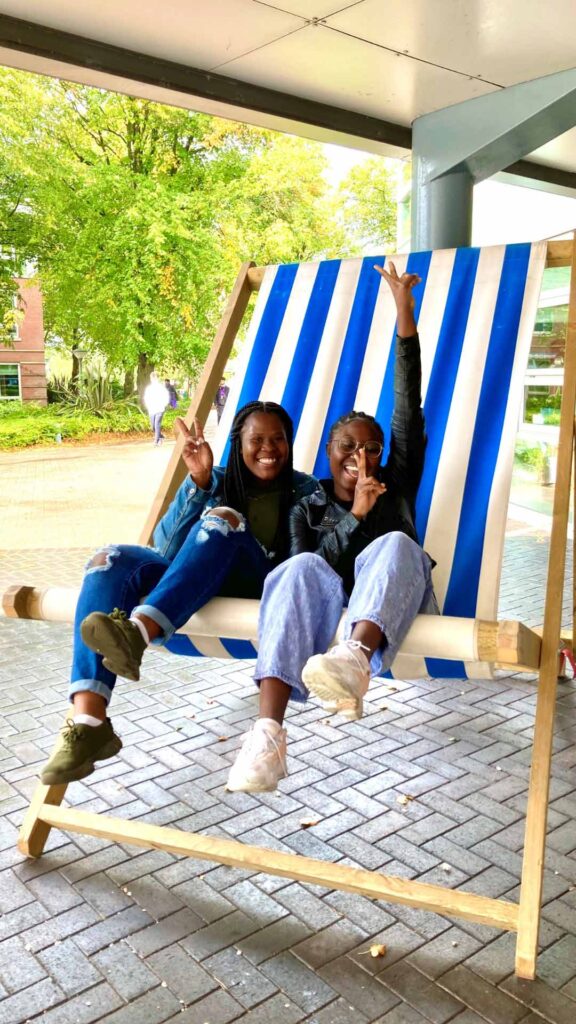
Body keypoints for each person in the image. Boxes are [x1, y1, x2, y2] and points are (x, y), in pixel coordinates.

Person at [226, 263, 438, 794]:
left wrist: (405, 317)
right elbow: (313, 565)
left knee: (395, 541)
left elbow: (406, 407)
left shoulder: (397, 481)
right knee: (296, 566)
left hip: (394, 604)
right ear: (329, 452)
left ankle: (357, 658)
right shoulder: (307, 503)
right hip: (323, 618)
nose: (361, 456)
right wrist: (355, 515)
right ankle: (268, 736)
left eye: (372, 447)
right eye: (349, 446)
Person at [40, 401, 318, 786]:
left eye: (277, 439)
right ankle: (89, 721)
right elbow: (165, 548)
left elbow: (302, 567)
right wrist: (200, 480)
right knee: (109, 559)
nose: (268, 448)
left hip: (258, 586)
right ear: (239, 444)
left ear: (289, 444)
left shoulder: (307, 490)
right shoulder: (215, 480)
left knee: (225, 519)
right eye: (257, 439)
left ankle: (136, 633)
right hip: (189, 582)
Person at [144, 372, 169, 445]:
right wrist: (148, 405)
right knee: (153, 426)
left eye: (155, 378)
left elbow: (166, 397)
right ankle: (160, 436)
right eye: (152, 378)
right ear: (151, 379)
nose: (153, 379)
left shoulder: (161, 388)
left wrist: (164, 405)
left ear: (157, 378)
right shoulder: (149, 388)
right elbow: (146, 398)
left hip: (159, 409)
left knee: (157, 424)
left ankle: (156, 441)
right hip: (151, 409)